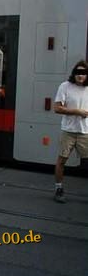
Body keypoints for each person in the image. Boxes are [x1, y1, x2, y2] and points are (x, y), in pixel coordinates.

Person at [53, 60, 88, 203]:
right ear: (74, 73)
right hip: (68, 131)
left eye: (84, 73)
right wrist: (77, 111)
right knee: (62, 161)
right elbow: (57, 108)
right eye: (78, 73)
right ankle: (58, 189)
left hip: (86, 132)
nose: (81, 76)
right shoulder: (65, 87)